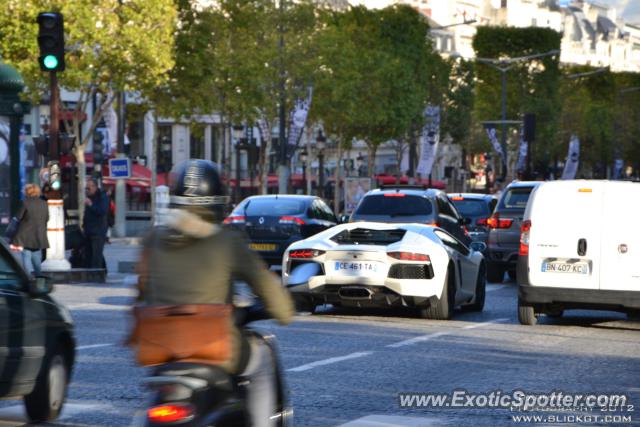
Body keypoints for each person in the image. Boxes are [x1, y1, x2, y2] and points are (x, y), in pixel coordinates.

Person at [131, 159, 294, 427]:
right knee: (263, 357)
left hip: (161, 349)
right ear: (218, 200)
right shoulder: (226, 241)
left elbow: (141, 292)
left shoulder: (153, 239)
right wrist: (283, 308)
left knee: (149, 403)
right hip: (215, 349)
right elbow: (278, 303)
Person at [11, 184, 49, 276]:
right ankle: (39, 277)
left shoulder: (25, 203)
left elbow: (18, 217)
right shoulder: (44, 203)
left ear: (27, 192)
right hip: (39, 235)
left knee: (26, 257)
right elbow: (47, 218)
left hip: (25, 235)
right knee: (36, 258)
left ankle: (28, 278)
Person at [83, 178, 109, 269]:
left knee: (96, 256)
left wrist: (91, 205)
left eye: (88, 188)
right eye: (86, 188)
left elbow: (102, 211)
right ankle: (100, 272)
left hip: (98, 231)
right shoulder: (89, 197)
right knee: (90, 255)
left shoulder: (102, 196)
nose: (87, 190)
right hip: (88, 231)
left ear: (95, 187)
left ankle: (97, 275)